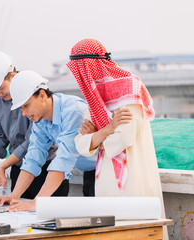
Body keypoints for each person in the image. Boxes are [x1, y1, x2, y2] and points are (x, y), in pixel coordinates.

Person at [66, 39, 168, 239]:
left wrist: (96, 136)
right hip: (105, 181)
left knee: (138, 232)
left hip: (133, 180)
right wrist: (109, 128)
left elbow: (123, 139)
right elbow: (81, 144)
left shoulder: (129, 88)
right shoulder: (96, 97)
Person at [0, 70, 97, 212]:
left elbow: (63, 161)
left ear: (42, 95)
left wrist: (37, 202)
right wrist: (14, 196)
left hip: (107, 169)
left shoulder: (73, 111)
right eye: (21, 108)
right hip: (88, 169)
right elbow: (32, 159)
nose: (23, 113)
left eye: (26, 105)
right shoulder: (40, 120)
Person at [0, 51, 66, 199]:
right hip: (19, 169)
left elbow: (31, 141)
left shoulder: (32, 92)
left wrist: (3, 165)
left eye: (1, 88)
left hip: (46, 168)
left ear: (13, 77)